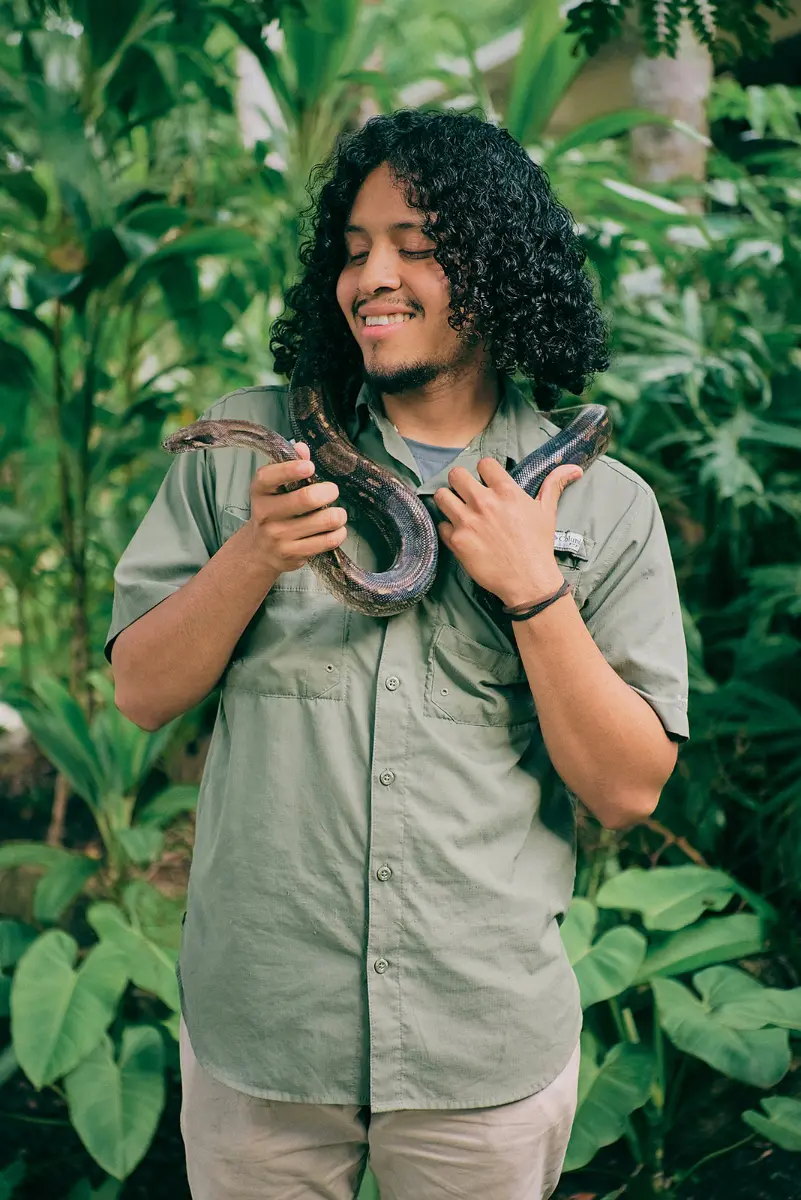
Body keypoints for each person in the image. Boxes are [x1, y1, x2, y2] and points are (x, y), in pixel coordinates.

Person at [106, 109, 689, 1200]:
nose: (374, 274)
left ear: (498, 267)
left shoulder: (602, 506)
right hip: (264, 1037)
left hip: (481, 1053)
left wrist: (531, 587)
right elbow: (140, 694)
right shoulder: (256, 446)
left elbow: (626, 789)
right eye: (356, 246)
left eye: (418, 247)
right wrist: (252, 559)